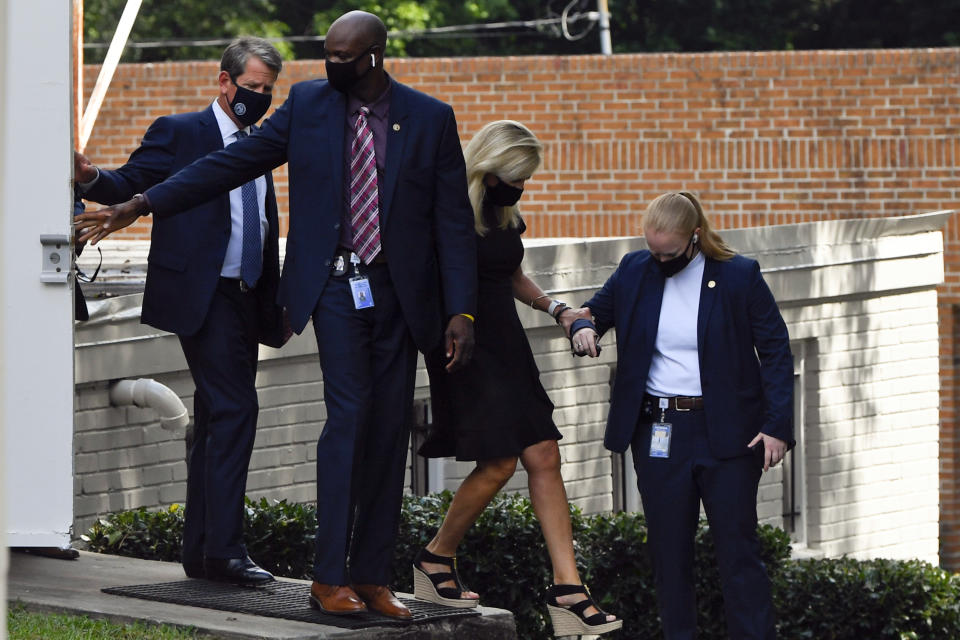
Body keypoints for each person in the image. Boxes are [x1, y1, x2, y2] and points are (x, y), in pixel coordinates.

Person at [75, 11, 477, 621]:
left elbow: (452, 222)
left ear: (372, 56)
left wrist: (462, 310)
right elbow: (226, 166)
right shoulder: (309, 105)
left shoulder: (428, 117)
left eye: (343, 58)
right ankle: (328, 579)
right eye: (325, 55)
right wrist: (139, 202)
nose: (330, 67)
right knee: (346, 420)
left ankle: (372, 577)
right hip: (336, 292)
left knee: (390, 429)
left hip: (401, 297)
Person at [73, 37, 287, 585]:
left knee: (218, 419)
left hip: (246, 295)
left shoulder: (259, 143)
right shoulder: (181, 132)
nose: (258, 97)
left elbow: (259, 223)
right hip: (203, 295)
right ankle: (226, 551)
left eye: (267, 90)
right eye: (251, 87)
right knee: (237, 411)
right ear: (224, 81)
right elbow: (129, 183)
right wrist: (90, 178)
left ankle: (202, 553)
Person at [413, 120, 622, 637]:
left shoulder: (504, 212)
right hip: (463, 345)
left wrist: (559, 309)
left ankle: (568, 592)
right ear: (488, 167)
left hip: (507, 342)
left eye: (526, 178)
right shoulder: (447, 206)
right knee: (501, 461)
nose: (521, 187)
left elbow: (510, 275)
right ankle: (435, 558)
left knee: (544, 453)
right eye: (515, 176)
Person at [566, 192, 794, 639]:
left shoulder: (738, 276)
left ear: (694, 236)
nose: (660, 259)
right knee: (669, 557)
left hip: (728, 435)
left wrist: (777, 427)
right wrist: (582, 328)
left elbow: (776, 351)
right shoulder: (635, 269)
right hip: (659, 431)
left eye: (668, 253)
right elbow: (593, 311)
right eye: (653, 250)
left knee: (738, 553)